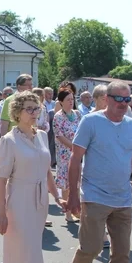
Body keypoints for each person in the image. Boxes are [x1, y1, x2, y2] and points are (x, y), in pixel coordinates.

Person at [64, 81, 132, 263]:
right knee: (91, 248)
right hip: (94, 196)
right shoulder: (91, 122)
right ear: (107, 99)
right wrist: (72, 194)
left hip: (122, 199)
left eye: (127, 100)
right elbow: (75, 158)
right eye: (118, 99)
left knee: (122, 253)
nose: (123, 104)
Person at [0, 90, 64, 263]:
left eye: (37, 109)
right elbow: (1, 179)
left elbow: (47, 171)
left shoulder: (43, 136)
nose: (35, 113)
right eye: (30, 109)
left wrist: (57, 195)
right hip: (18, 200)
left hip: (39, 201)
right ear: (17, 113)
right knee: (26, 251)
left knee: (27, 249)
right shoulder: (9, 141)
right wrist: (1, 213)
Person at [53, 87, 81, 223]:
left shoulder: (77, 114)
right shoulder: (58, 116)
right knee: (66, 183)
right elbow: (59, 136)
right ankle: (68, 212)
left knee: (76, 183)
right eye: (68, 100)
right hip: (64, 154)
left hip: (77, 154)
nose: (71, 102)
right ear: (61, 101)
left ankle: (76, 210)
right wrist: (73, 147)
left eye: (72, 99)